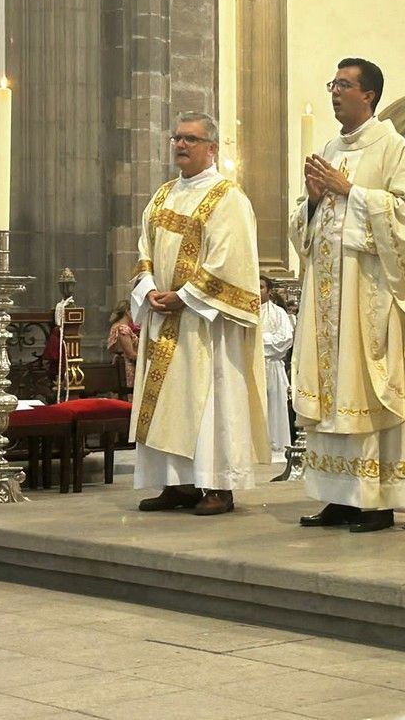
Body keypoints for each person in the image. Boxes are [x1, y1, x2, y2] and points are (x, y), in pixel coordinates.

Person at [292, 58, 405, 533]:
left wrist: (349, 190)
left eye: (344, 85)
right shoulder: (331, 147)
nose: (335, 92)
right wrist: (315, 200)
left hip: (368, 297)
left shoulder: (393, 148)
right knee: (332, 396)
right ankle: (339, 496)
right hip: (327, 298)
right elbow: (307, 229)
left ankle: (375, 501)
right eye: (332, 83)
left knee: (365, 389)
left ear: (368, 96)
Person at [130, 112, 267, 516]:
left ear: (212, 148)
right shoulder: (163, 195)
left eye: (190, 139)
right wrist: (149, 288)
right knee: (167, 403)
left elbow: (232, 260)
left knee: (209, 403)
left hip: (205, 324)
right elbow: (144, 248)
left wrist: (186, 296)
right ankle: (176, 483)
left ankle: (217, 486)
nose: (180, 145)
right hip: (164, 316)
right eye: (176, 138)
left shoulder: (229, 198)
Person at [260, 274, 294, 460]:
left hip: (272, 366)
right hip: (249, 366)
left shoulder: (278, 313)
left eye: (261, 287)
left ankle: (276, 448)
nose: (257, 291)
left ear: (269, 291)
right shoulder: (244, 311)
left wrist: (258, 343)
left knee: (274, 407)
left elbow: (285, 339)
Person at [106, 300, 140, 387]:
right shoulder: (122, 328)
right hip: (127, 368)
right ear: (127, 312)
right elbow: (130, 354)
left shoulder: (116, 326)